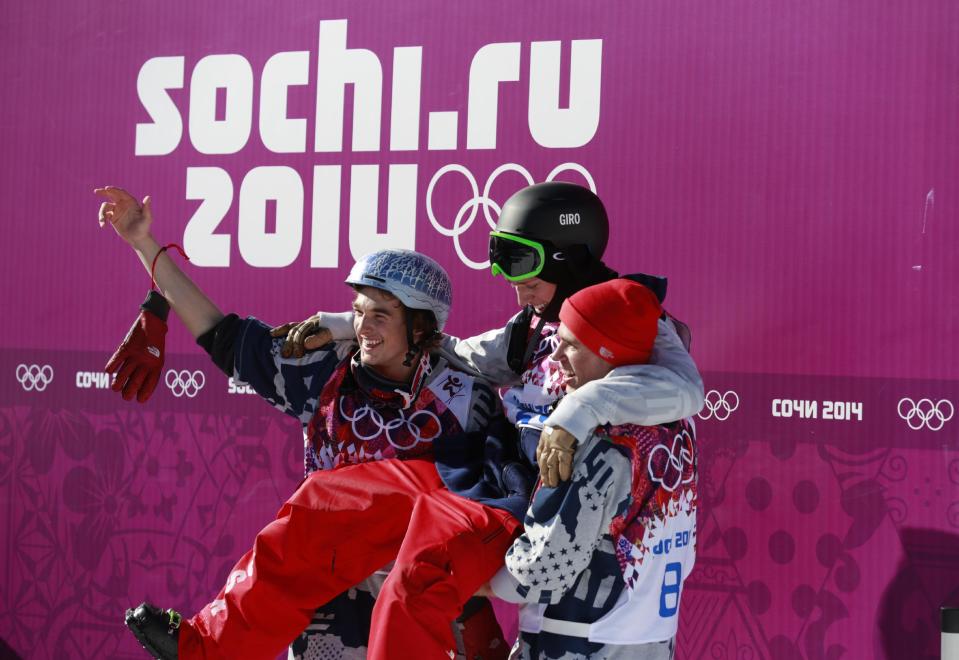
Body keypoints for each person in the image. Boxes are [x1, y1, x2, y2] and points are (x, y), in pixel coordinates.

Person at [95, 186, 508, 659]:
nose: (364, 328)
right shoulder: (323, 369)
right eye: (357, 312)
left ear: (420, 326)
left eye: (381, 315)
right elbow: (222, 335)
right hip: (325, 591)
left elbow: (492, 504)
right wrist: (143, 244)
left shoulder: (464, 398)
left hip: (422, 588)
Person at [486, 278, 698, 660]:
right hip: (653, 640)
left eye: (571, 345)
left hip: (578, 642)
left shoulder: (595, 438)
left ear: (611, 351)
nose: (555, 358)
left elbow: (541, 571)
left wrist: (458, 581)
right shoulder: (680, 422)